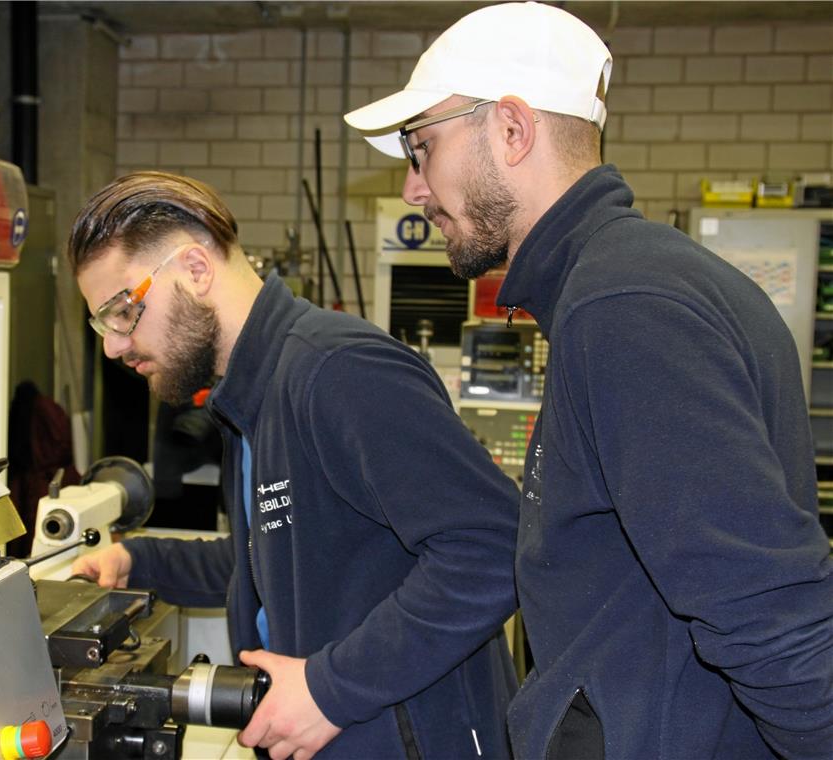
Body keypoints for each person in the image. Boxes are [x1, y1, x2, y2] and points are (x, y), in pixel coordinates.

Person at [345, 3, 833, 758]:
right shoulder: (630, 285)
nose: (414, 189)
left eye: (421, 149)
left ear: (511, 129)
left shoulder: (625, 307)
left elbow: (767, 612)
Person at [68, 171, 521, 759]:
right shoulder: (248, 398)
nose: (113, 345)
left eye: (122, 310)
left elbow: (493, 546)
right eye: (100, 322)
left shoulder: (337, 371)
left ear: (195, 270)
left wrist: (329, 689)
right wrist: (138, 559)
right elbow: (281, 559)